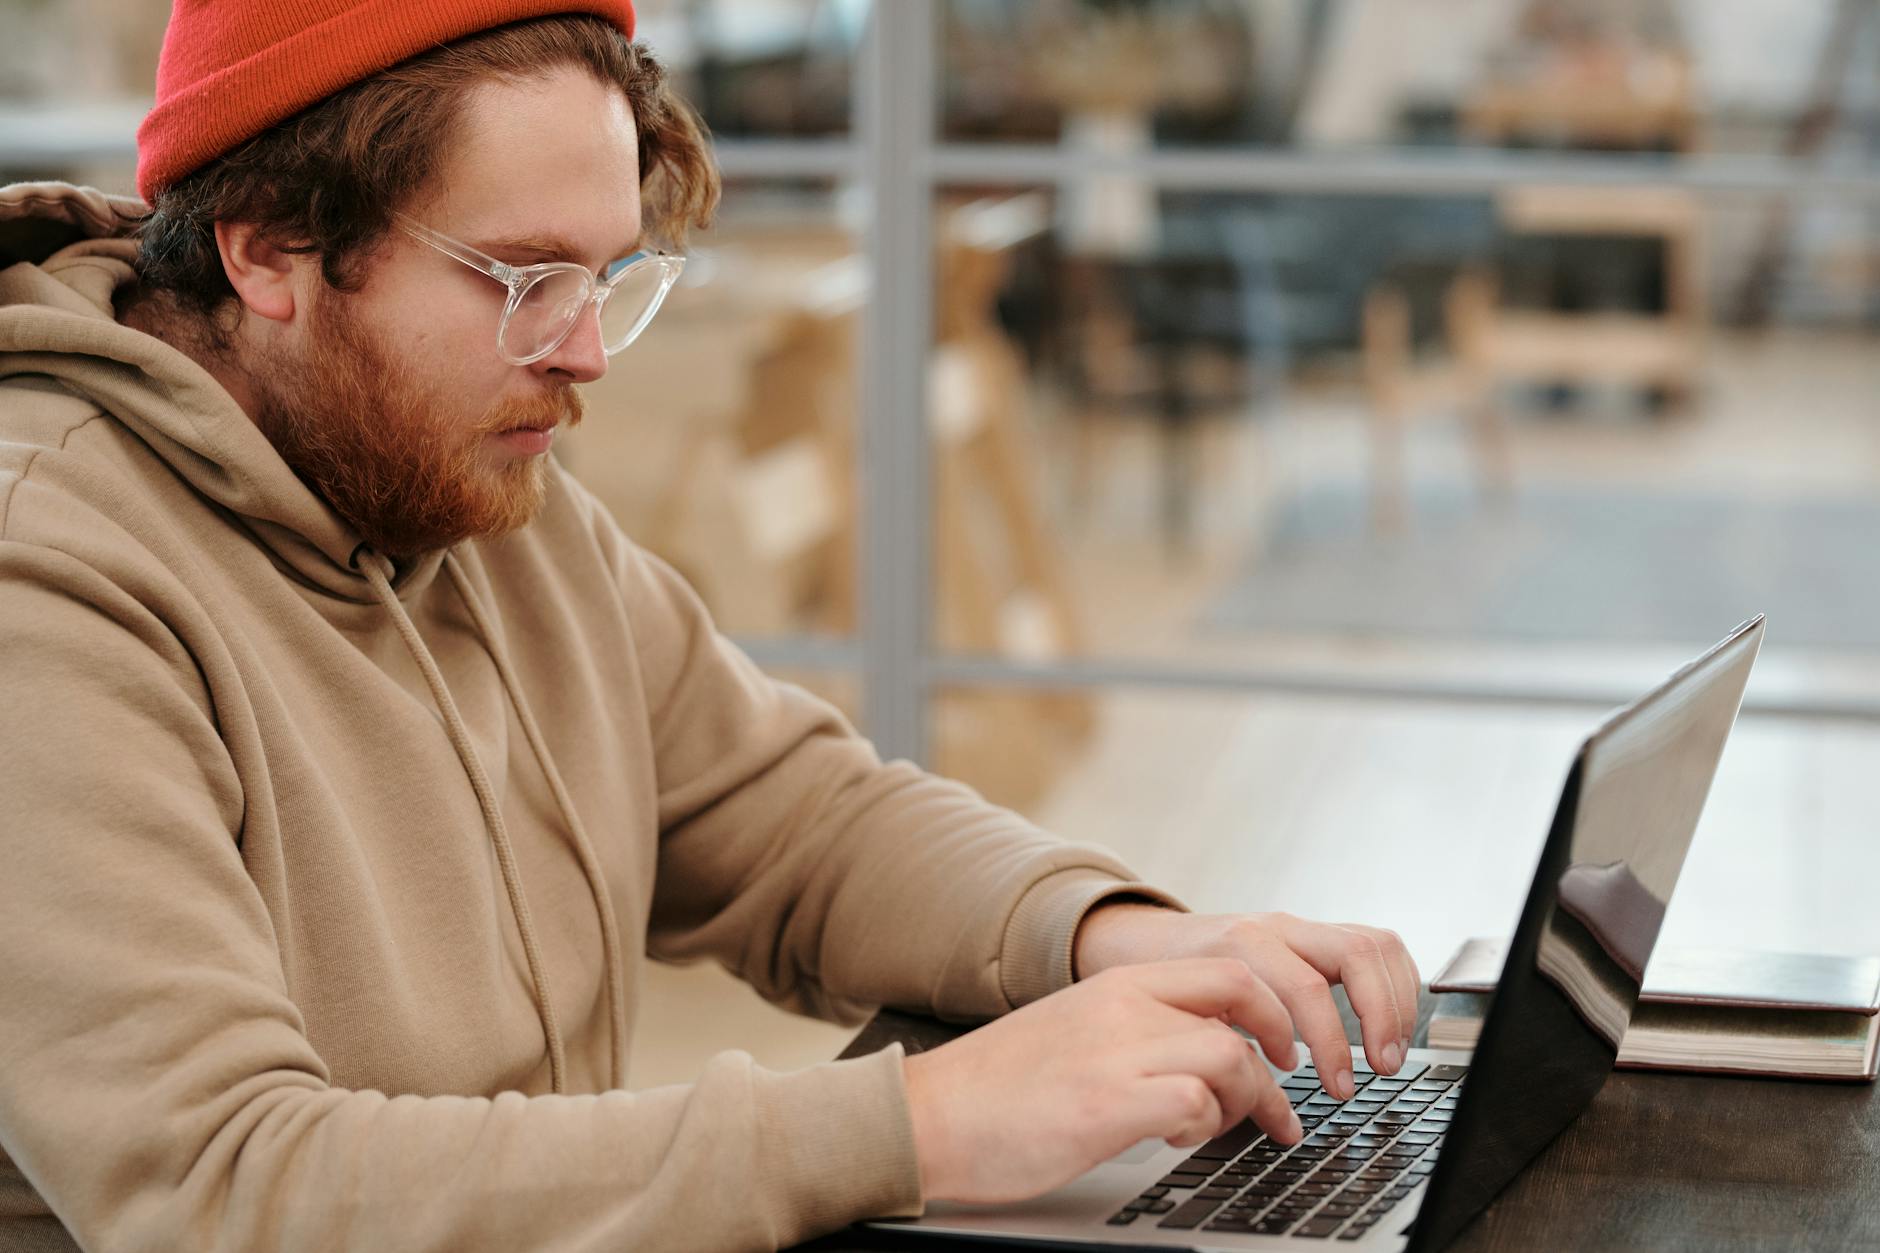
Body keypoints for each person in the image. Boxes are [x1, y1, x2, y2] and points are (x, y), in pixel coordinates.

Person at [0, 3, 1418, 1249]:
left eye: (606, 275)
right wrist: (917, 1123)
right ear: (267, 250)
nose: (584, 350)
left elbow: (795, 819)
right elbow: (223, 1190)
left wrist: (1108, 934)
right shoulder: (46, 577)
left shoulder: (468, 480)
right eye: (520, 278)